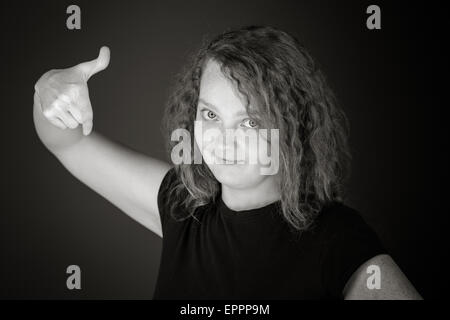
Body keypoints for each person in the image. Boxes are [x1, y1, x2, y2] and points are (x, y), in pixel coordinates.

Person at [33, 25, 422, 300]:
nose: (224, 141)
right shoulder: (182, 207)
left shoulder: (337, 239)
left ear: (293, 126)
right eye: (211, 116)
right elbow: (66, 144)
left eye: (251, 121)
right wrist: (49, 87)